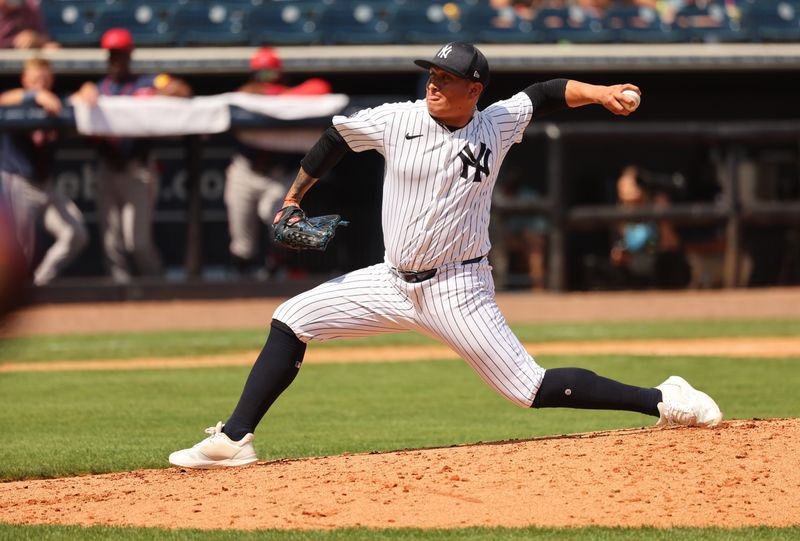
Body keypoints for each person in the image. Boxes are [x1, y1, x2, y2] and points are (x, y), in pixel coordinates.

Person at [169, 42, 722, 469]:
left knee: (530, 390)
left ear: (474, 89)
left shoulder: (497, 122)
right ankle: (235, 439)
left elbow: (549, 90)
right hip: (390, 282)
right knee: (292, 318)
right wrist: (293, 198)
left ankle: (662, 399)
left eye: (447, 79)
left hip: (459, 288)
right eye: (432, 75)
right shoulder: (397, 118)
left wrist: (600, 93)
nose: (434, 84)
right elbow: (335, 139)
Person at [70, 28, 191, 283]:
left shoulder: (147, 81)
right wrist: (83, 91)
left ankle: (157, 285)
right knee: (111, 240)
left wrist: (156, 93)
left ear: (129, 55)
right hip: (107, 168)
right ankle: (119, 293)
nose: (116, 60)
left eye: (121, 54)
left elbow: (183, 90)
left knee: (137, 241)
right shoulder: (101, 87)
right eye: (112, 55)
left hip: (138, 169)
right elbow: (75, 101)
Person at [225, 47, 332, 277]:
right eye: (261, 75)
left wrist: (278, 96)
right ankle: (239, 283)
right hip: (245, 170)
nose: (266, 80)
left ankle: (276, 272)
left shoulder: (289, 99)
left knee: (276, 222)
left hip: (275, 172)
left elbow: (320, 87)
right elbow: (246, 93)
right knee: (241, 240)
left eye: (270, 74)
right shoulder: (244, 95)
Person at [0, 57, 88, 285]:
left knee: (75, 234)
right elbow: (4, 100)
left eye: (45, 78)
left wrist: (87, 90)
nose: (41, 83)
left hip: (46, 184)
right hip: (18, 183)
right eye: (35, 78)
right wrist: (33, 96)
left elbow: (79, 98)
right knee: (21, 249)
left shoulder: (58, 102)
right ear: (24, 80)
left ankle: (38, 283)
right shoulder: (17, 98)